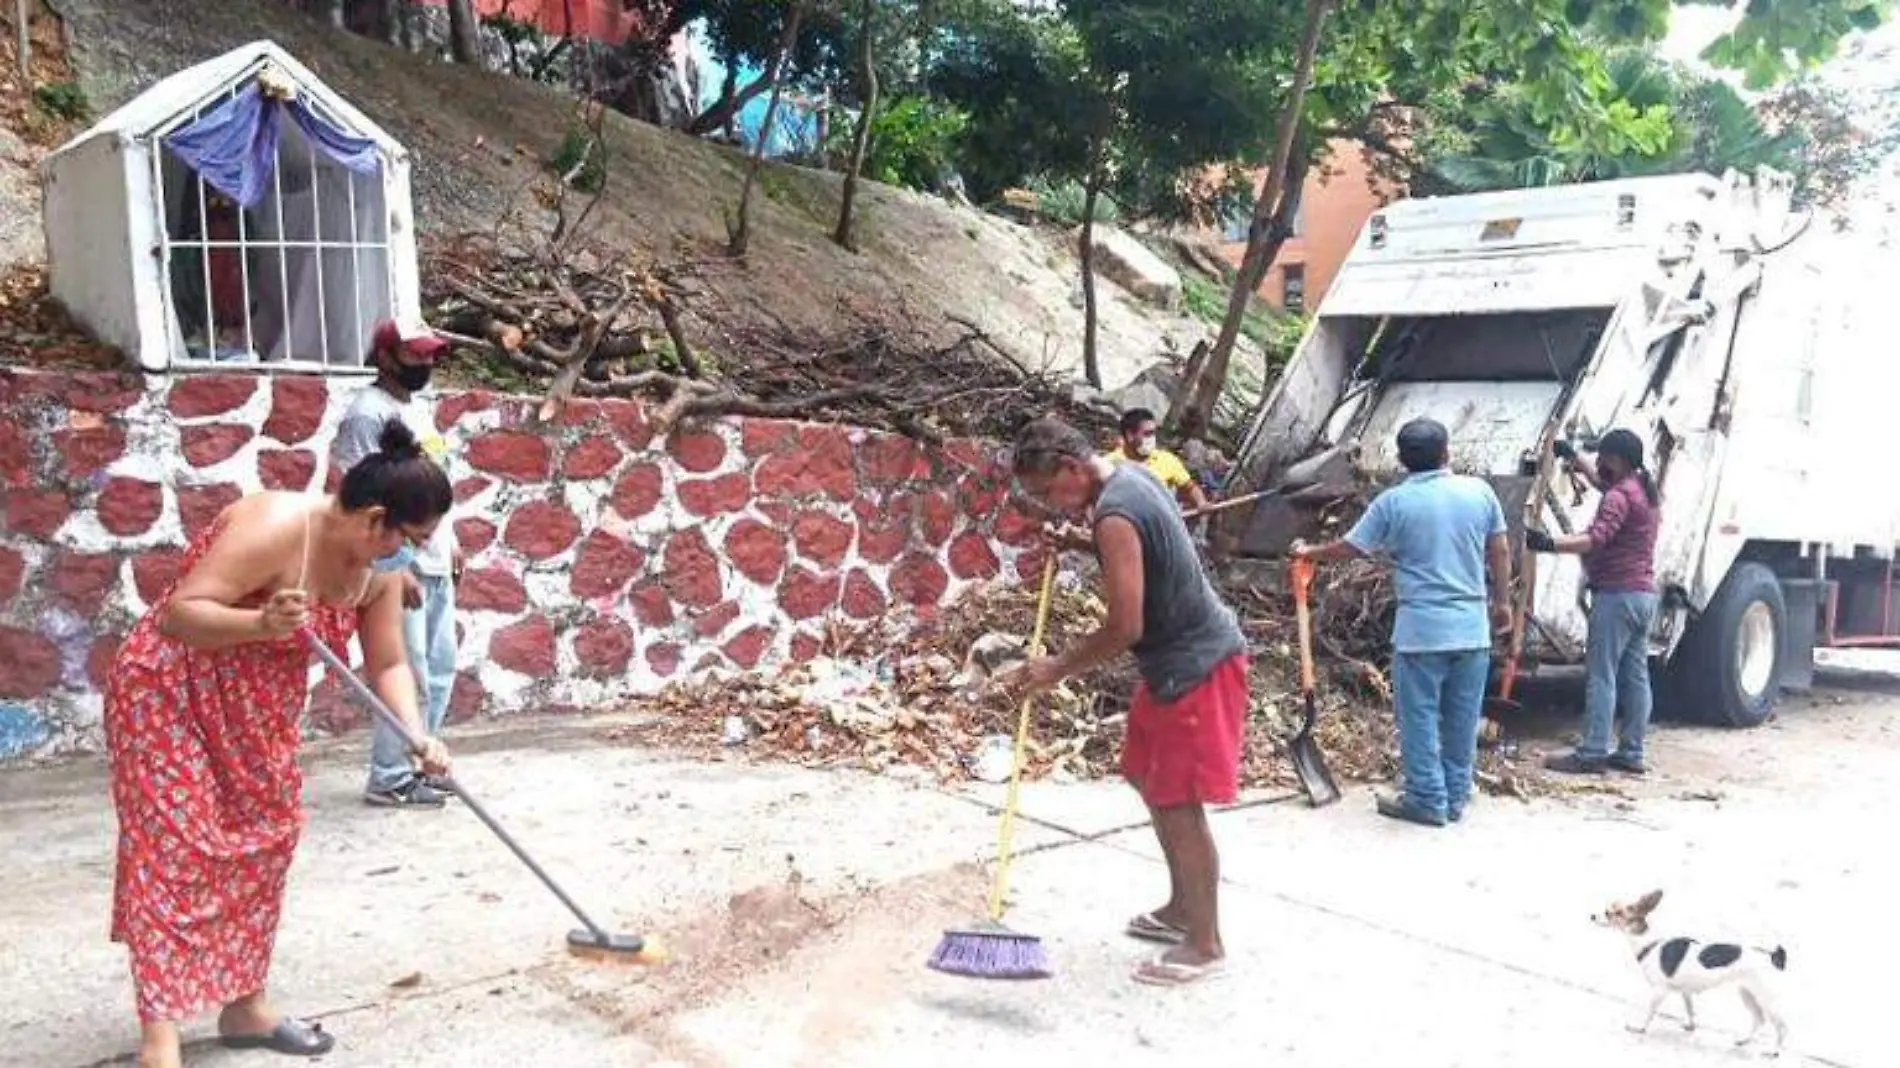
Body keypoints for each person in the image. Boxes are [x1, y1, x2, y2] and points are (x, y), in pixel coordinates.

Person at [104, 420, 454, 1068]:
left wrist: (415, 733)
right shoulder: (276, 528)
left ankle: (245, 1007)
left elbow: (389, 665)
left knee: (266, 835)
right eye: (413, 540)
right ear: (376, 520)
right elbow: (183, 614)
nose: (416, 556)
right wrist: (260, 621)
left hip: (255, 713)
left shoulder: (375, 572)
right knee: (174, 848)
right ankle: (161, 1039)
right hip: (169, 692)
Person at [1000, 415, 1248, 986]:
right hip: (1172, 666)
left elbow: (1125, 626)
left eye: (1047, 493)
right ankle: (1183, 907)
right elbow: (1147, 546)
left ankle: (1206, 943)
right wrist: (1081, 541)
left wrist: (1055, 667)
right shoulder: (1132, 478)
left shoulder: (1114, 513)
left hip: (1197, 665)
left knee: (1178, 802)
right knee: (1146, 777)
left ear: (1070, 467)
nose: (1051, 506)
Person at [1292, 418, 1512, 827]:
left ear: (1401, 460)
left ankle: (1428, 797)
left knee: (1420, 716)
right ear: (1446, 452)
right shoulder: (1479, 492)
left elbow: (1350, 548)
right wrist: (1502, 604)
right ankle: (1456, 794)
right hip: (1472, 631)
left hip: (1421, 633)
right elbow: (1499, 549)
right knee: (1462, 717)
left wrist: (1309, 550)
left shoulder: (1393, 503)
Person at [334, 319, 463, 809]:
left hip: (434, 559)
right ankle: (390, 775)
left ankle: (421, 761)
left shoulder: (417, 410)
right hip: (401, 561)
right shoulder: (366, 414)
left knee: (441, 668)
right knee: (407, 670)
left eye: (430, 355)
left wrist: (450, 538)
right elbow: (363, 495)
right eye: (414, 356)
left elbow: (428, 485)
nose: (425, 364)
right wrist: (397, 565)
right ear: (385, 357)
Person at [1527, 428, 1662, 775]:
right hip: (1643, 596)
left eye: (1602, 458)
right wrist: (1573, 457)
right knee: (1636, 676)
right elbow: (1605, 487)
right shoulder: (1642, 490)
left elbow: (1596, 538)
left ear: (1617, 460)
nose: (1598, 464)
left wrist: (1548, 544)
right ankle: (1632, 751)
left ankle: (1592, 752)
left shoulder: (1619, 497)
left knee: (1601, 675)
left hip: (1617, 595)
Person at [1106, 408, 1211, 514]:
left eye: (1153, 433)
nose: (1152, 439)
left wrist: (1201, 502)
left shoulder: (1167, 460)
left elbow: (1189, 487)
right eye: (1147, 434)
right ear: (1130, 435)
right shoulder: (1109, 464)